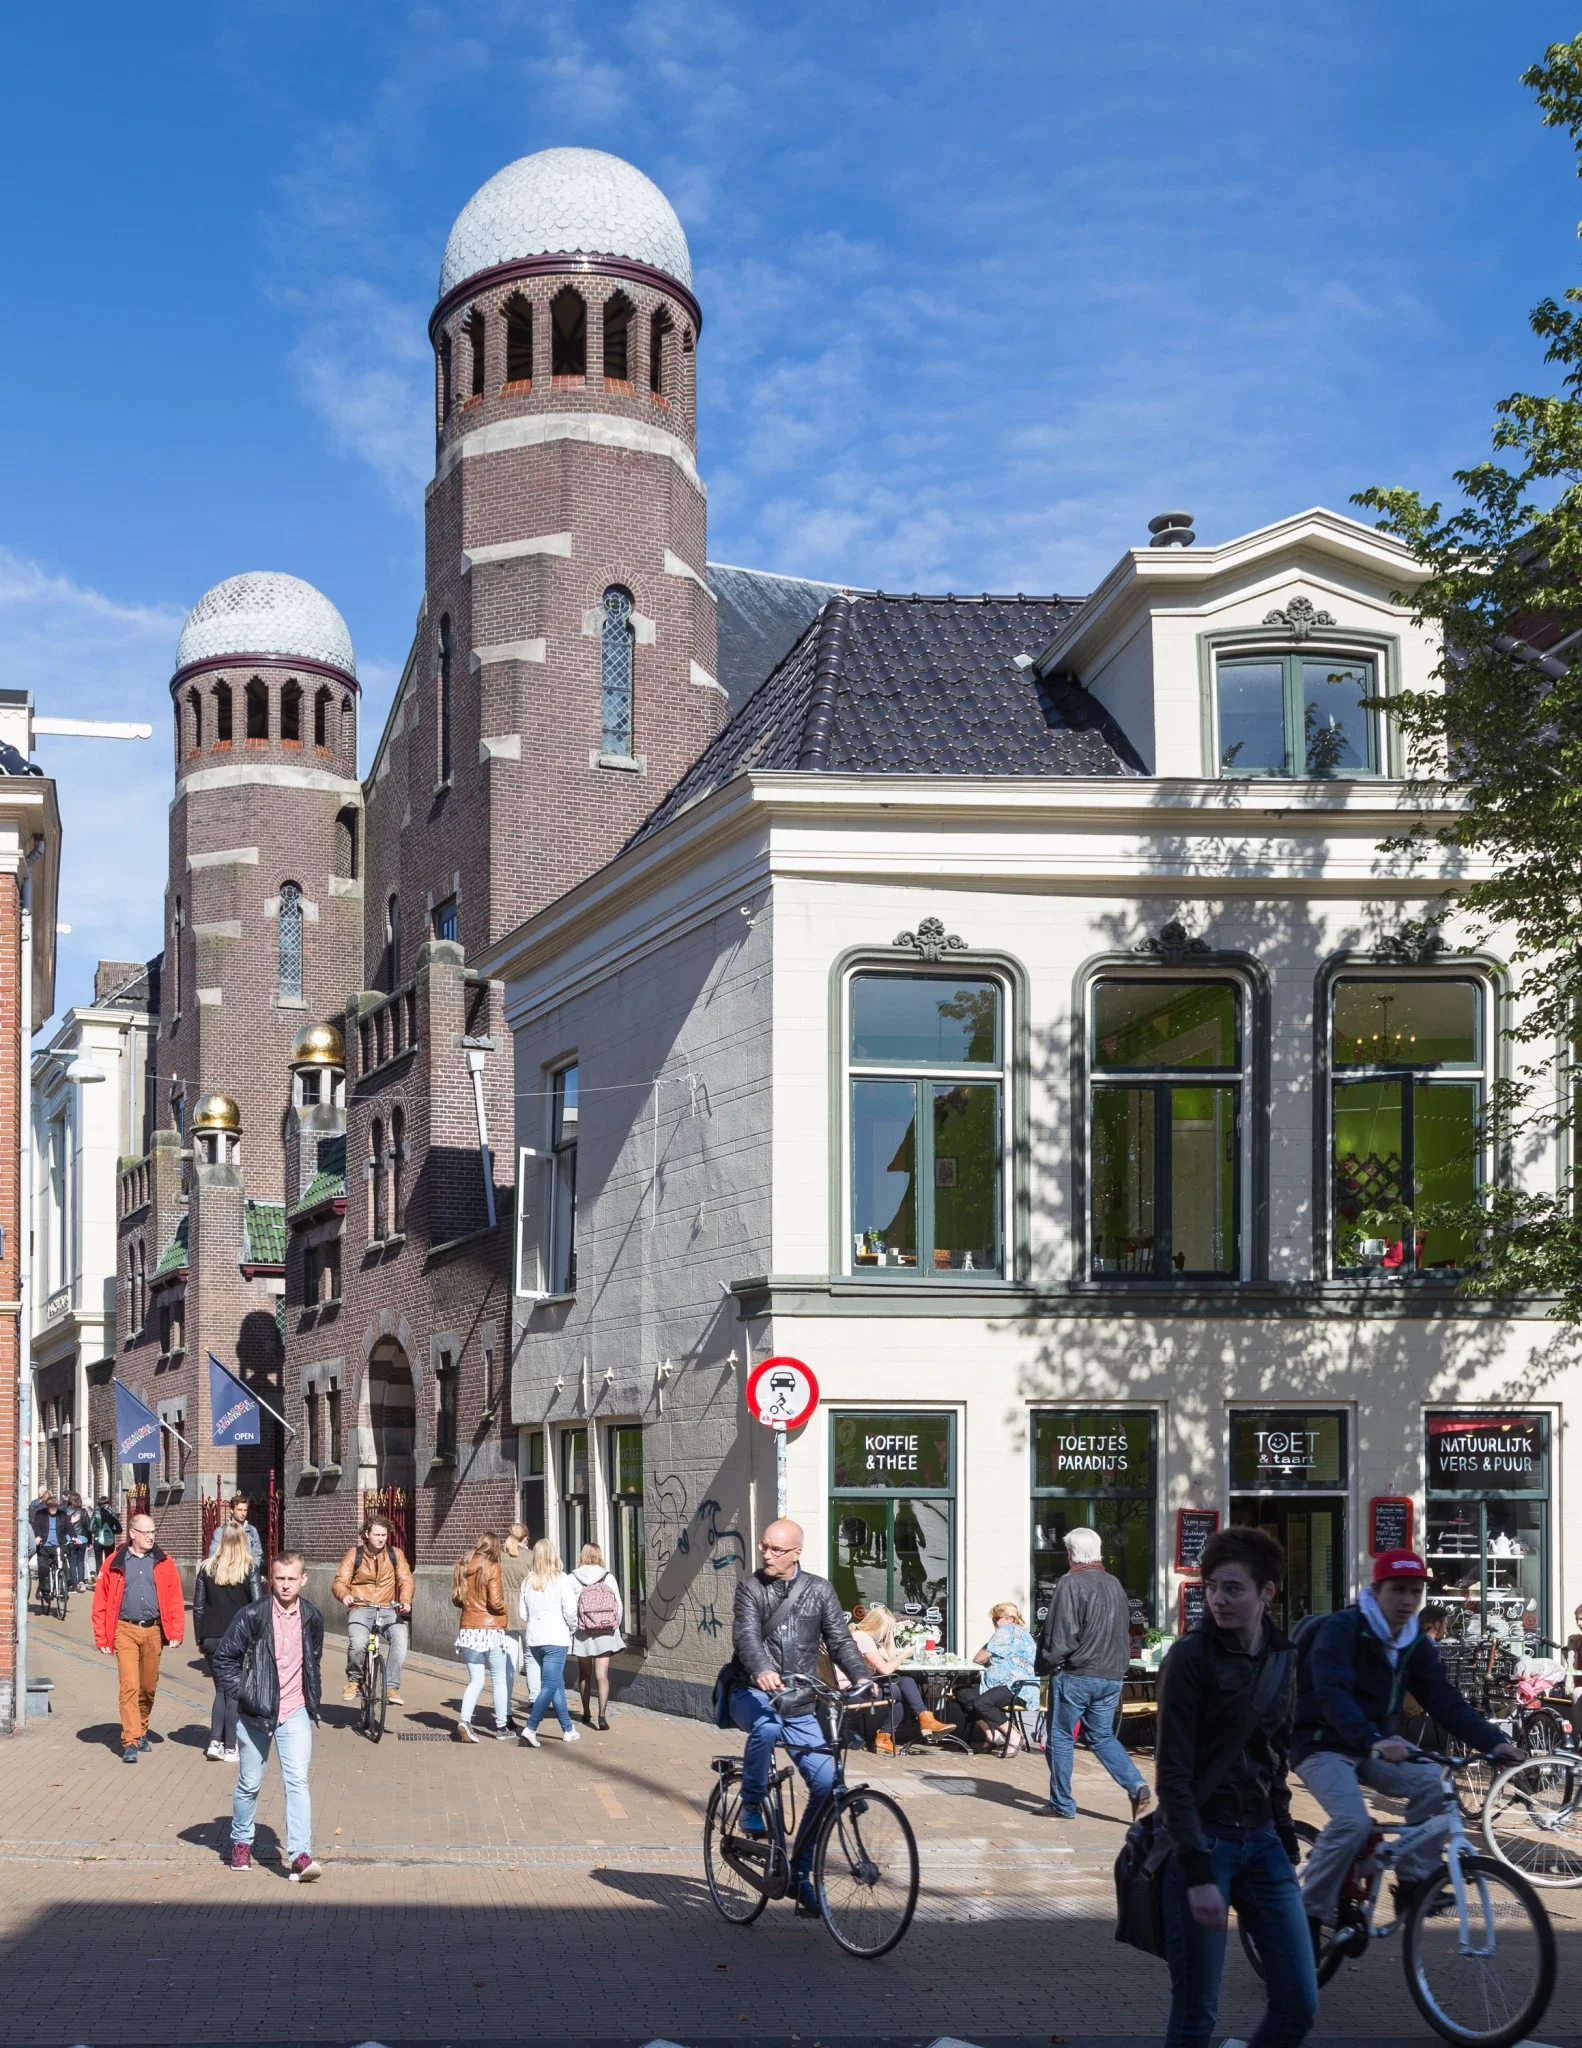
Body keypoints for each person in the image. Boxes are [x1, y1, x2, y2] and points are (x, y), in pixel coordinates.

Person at [1292, 1547, 1521, 1953]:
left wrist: (1494, 1741)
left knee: (1434, 1782)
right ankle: (1307, 1914)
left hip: (1375, 1744)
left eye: (1415, 1591)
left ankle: (1415, 1884)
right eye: (1398, 1590)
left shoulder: (1412, 1641)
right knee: (1352, 1823)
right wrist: (1374, 1740)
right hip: (1321, 1742)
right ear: (1376, 1590)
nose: (1407, 1600)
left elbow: (1444, 1700)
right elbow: (1332, 1695)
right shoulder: (1343, 1630)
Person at [1155, 1525, 1316, 2048]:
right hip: (1203, 1845)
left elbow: (1277, 1755)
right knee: (1197, 2014)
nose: (1218, 1600)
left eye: (1232, 1588)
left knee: (1298, 2005)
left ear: (1267, 1592)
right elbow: (1172, 1774)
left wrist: (1285, 1838)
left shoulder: (1283, 1656)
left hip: (1263, 1843)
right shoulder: (1190, 1658)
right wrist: (1198, 1871)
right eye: (1211, 1587)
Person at [727, 1516, 872, 1917]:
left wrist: (862, 1676)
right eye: (764, 1546)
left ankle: (800, 1874)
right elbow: (746, 1635)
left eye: (776, 1549)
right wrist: (762, 1669)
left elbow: (840, 1640)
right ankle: (751, 1804)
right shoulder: (750, 1587)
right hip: (752, 1693)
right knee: (766, 1725)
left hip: (800, 1703)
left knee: (826, 1785)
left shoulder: (819, 1590)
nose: (766, 1554)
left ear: (796, 1553)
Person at [212, 1550, 324, 1879]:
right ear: (270, 1580)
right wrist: (245, 1693)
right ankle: (241, 1843)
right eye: (280, 1578)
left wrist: (309, 1695)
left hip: (294, 1710)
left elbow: (313, 1658)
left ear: (303, 1579)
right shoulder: (252, 1614)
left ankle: (300, 1854)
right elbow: (224, 1658)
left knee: (297, 1782)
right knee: (250, 1783)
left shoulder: (312, 1617)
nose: (286, 1585)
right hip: (255, 1713)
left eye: (292, 1579)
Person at [1037, 1526, 1149, 1819]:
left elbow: (1060, 1633)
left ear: (1070, 1553)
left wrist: (1045, 1661)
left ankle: (1062, 1803)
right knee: (1101, 1736)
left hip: (1077, 1672)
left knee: (1060, 1737)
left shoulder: (1070, 1582)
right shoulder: (1114, 1584)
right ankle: (1136, 1784)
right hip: (1111, 1674)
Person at [91, 1510, 186, 1761]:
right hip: (124, 1630)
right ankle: (130, 1740)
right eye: (146, 1532)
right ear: (132, 1534)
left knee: (148, 1686)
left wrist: (176, 1631)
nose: (151, 1537)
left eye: (153, 1532)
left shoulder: (164, 1562)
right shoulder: (114, 1562)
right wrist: (101, 1636)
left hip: (154, 1630)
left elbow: (175, 1598)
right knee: (129, 1686)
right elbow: (100, 1601)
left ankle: (142, 1728)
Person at [332, 1514, 414, 1708]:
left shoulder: (395, 1554)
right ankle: (355, 1680)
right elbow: (340, 1581)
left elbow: (406, 1579)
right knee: (358, 1642)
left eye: (384, 1535)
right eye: (377, 1535)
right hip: (361, 1607)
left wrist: (405, 1600)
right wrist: (345, 1595)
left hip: (386, 1608)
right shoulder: (355, 1554)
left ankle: (391, 1686)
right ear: (367, 1534)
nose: (381, 1539)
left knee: (401, 1639)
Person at [194, 1525, 261, 1761]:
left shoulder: (207, 1568)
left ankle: (215, 1742)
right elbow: (257, 1606)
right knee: (233, 1693)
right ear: (244, 1541)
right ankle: (231, 1746)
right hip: (238, 1638)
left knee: (221, 1689)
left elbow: (199, 1606)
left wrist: (199, 1637)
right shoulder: (249, 1569)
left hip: (212, 1636)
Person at [843, 1603, 940, 1753]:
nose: (888, 1632)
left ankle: (923, 1719)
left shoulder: (861, 1636)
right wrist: (905, 1654)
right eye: (887, 1628)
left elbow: (890, 1657)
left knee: (906, 1681)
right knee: (902, 1693)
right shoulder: (864, 1640)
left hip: (855, 1688)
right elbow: (887, 1669)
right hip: (853, 1693)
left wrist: (889, 1637)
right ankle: (920, 1720)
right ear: (878, 1625)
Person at [518, 1538, 581, 1746]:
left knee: (557, 1685)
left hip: (535, 1639)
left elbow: (522, 1613)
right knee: (550, 1685)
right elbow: (570, 1611)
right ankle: (531, 1727)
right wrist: (572, 1627)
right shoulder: (561, 1579)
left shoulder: (528, 1581)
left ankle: (568, 1729)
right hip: (555, 1639)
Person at [957, 1600, 1040, 1751]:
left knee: (982, 1703)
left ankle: (1013, 1735)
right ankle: (993, 1735)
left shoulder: (1006, 1630)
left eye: (997, 1618)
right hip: (1017, 1686)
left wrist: (988, 1646)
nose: (994, 1622)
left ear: (1010, 1619)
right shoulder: (1022, 1633)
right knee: (965, 1694)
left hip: (1015, 1687)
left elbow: (979, 1659)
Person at [451, 1534, 511, 1741]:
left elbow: (457, 1599)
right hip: (490, 1629)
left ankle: (464, 1720)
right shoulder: (492, 1566)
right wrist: (505, 1609)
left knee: (475, 1680)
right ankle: (502, 1727)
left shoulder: (463, 1564)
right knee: (499, 1678)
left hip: (468, 1629)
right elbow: (495, 1602)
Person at [569, 1541, 624, 1729]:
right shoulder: (608, 1577)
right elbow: (618, 1606)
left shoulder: (573, 1578)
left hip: (583, 1632)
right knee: (602, 1675)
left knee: (584, 1674)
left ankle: (586, 1712)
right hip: (605, 1631)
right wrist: (614, 1627)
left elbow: (569, 1608)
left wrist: (573, 1628)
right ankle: (602, 1716)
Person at [500, 1525, 535, 1717]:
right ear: (525, 1539)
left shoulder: (500, 1556)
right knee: (531, 1656)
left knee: (509, 1661)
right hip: (526, 1612)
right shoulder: (530, 1557)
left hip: (506, 1613)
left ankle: (505, 1703)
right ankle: (535, 1698)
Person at [207, 1491, 264, 1568]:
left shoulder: (252, 1531)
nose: (243, 1513)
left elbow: (257, 1554)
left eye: (245, 1510)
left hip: (246, 1571)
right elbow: (213, 1555)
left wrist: (253, 1570)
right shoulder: (221, 1531)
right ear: (231, 1510)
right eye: (240, 1510)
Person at [28, 1492, 65, 1607]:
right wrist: (37, 1537)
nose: (53, 1508)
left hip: (57, 1545)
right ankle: (42, 1589)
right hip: (43, 1545)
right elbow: (35, 1525)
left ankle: (63, 1589)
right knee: (43, 1566)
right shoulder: (40, 1513)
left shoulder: (61, 1514)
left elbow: (67, 1526)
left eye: (55, 1506)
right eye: (51, 1506)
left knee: (62, 1564)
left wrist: (73, 1537)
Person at [88, 1497, 121, 1578]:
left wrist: (97, 1532)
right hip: (109, 1539)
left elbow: (90, 1528)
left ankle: (100, 1577)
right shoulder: (112, 1514)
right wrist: (111, 1531)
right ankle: (108, 1576)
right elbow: (119, 1529)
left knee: (98, 1560)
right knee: (109, 1559)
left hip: (98, 1538)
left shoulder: (96, 1513)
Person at [64, 1492, 91, 1590]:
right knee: (80, 1561)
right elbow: (88, 1527)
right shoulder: (83, 1512)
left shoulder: (65, 1511)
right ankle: (81, 1581)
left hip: (69, 1539)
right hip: (82, 1539)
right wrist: (89, 1541)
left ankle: (74, 1585)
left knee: (72, 1562)